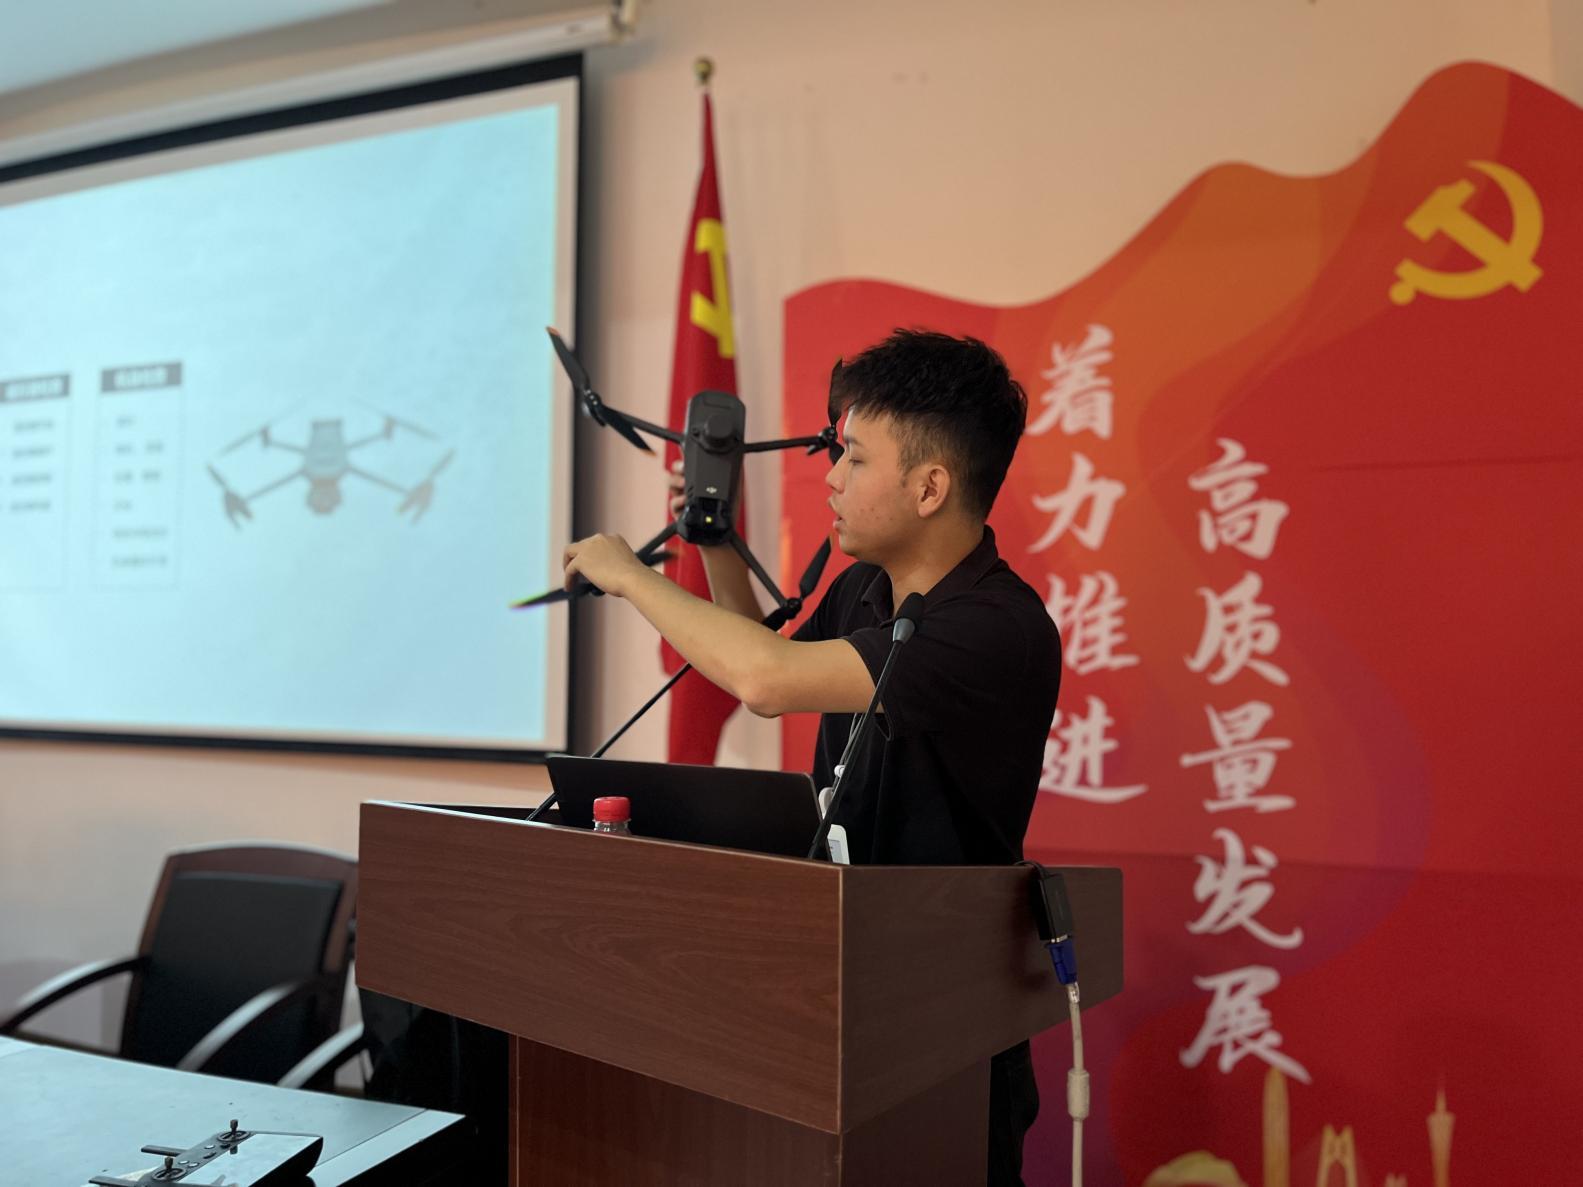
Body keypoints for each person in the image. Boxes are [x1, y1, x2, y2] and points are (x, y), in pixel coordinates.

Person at [561, 328, 1061, 1185]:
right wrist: (711, 536)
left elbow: (765, 679)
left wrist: (633, 575)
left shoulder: (996, 628)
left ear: (929, 486)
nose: (830, 477)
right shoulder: (866, 589)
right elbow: (758, 648)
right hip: (836, 986)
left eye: (854, 458)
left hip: (941, 1020)